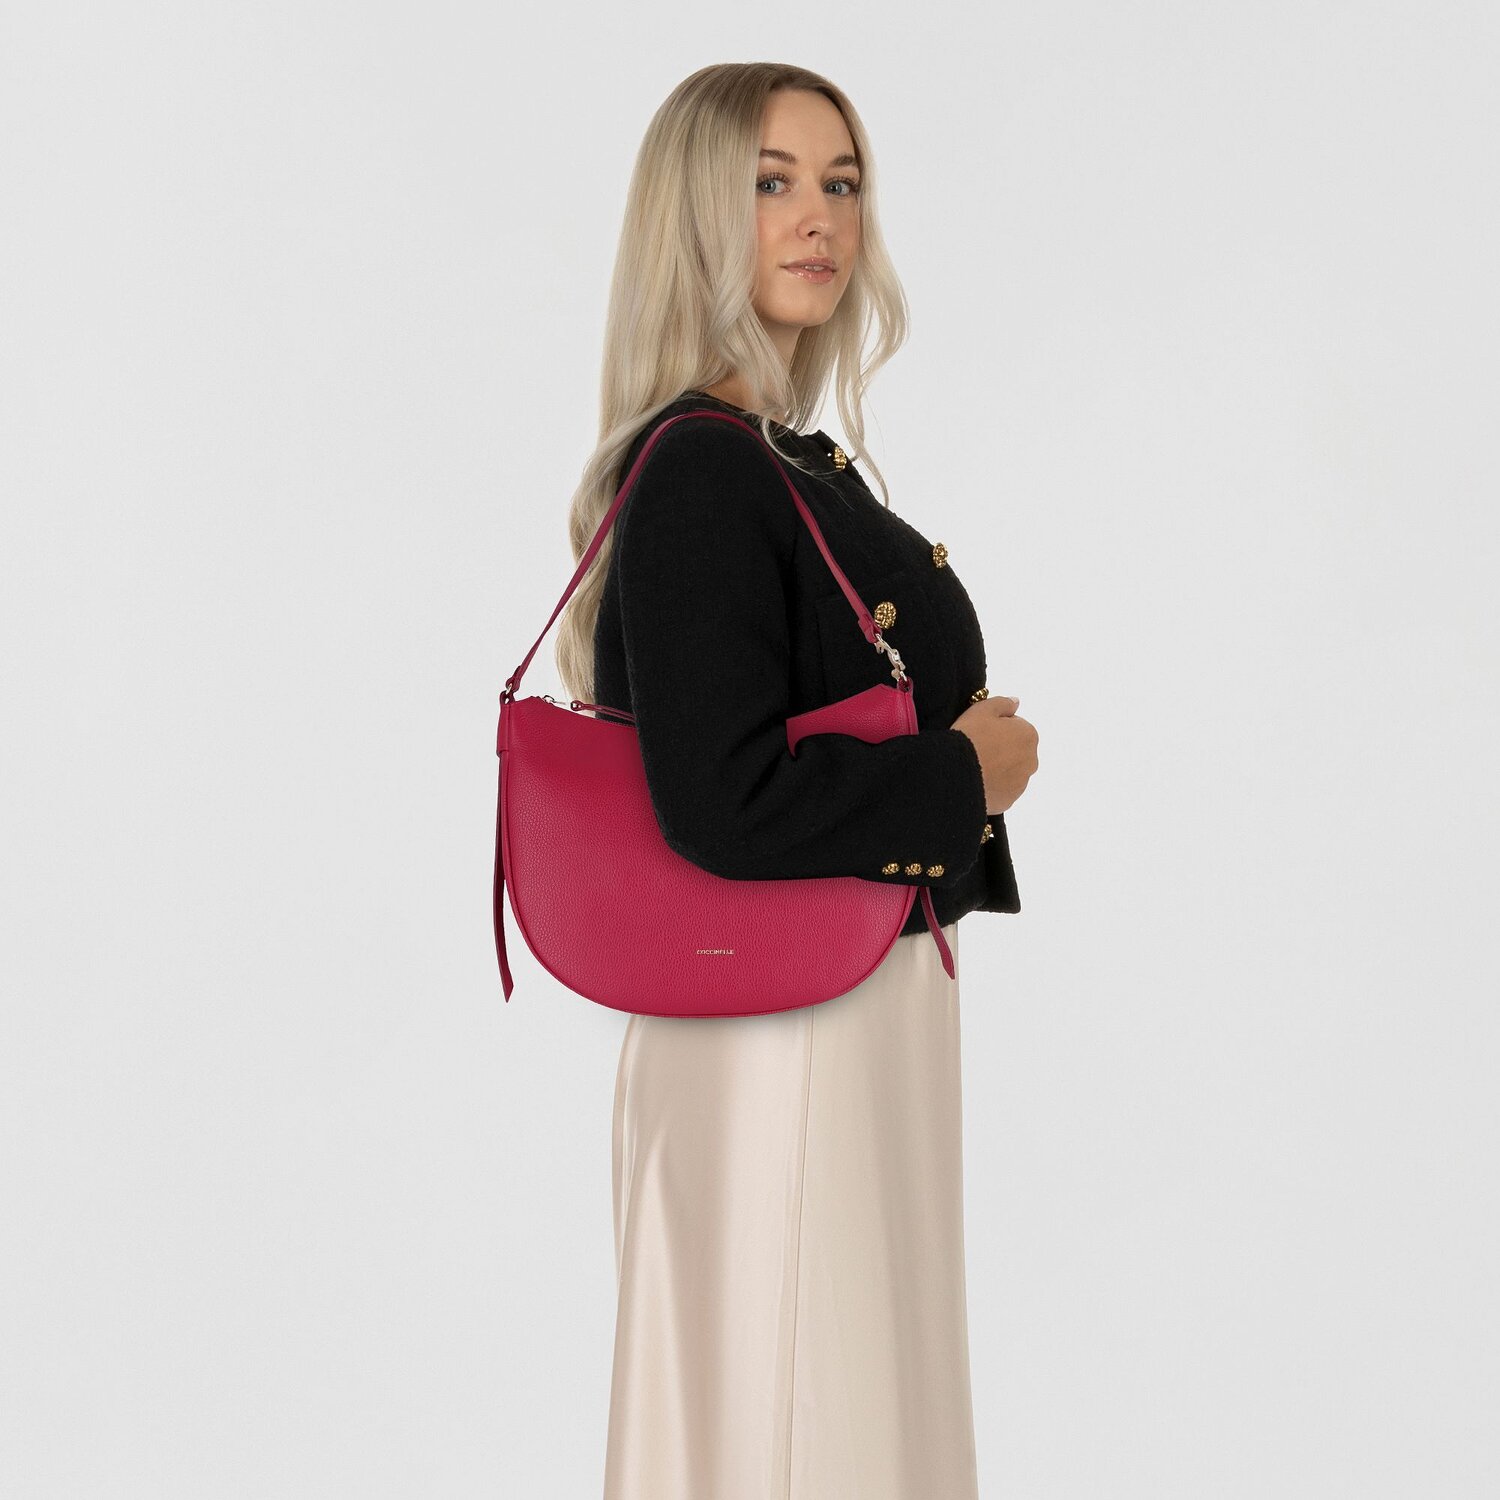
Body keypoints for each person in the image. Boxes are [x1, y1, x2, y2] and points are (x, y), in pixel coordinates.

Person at [551, 62, 1039, 1500]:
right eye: (770, 182)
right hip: (780, 1029)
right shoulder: (707, 471)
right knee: (803, 1414)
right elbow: (723, 800)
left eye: (841, 182)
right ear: (696, 215)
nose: (818, 216)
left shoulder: (784, 461)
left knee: (832, 1406)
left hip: (834, 1003)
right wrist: (962, 778)